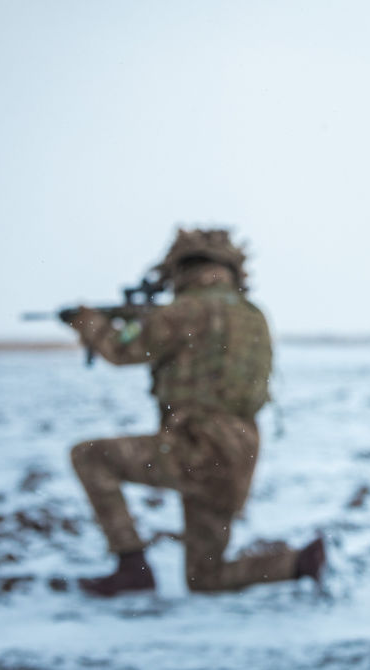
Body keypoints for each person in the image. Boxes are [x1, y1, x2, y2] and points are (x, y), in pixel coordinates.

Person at [65, 228, 325, 596]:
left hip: (194, 448)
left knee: (90, 457)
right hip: (238, 455)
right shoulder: (253, 315)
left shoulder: (185, 311)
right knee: (205, 577)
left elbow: (123, 351)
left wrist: (89, 322)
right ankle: (300, 563)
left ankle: (131, 566)